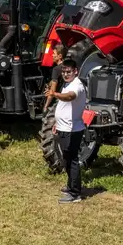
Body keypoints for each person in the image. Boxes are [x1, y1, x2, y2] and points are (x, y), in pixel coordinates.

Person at [45, 58, 87, 203]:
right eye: (63, 71)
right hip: (64, 127)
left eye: (68, 71)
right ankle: (71, 187)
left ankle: (75, 194)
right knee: (67, 159)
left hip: (72, 129)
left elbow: (70, 97)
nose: (65, 74)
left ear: (75, 71)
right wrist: (57, 122)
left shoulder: (77, 85)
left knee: (72, 160)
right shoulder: (68, 83)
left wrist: (54, 94)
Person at [43, 44, 67, 112]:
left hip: (59, 100)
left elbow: (52, 91)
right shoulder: (67, 67)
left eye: (54, 54)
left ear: (60, 56)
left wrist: (46, 106)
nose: (52, 55)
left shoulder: (56, 69)